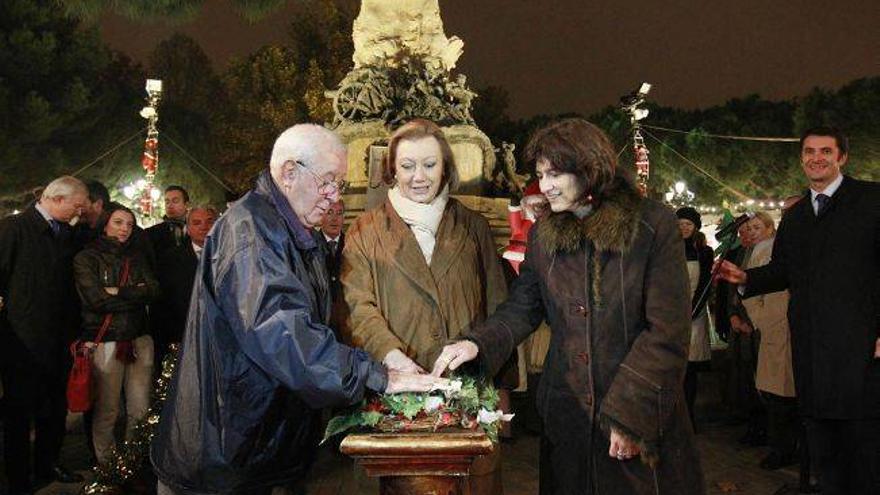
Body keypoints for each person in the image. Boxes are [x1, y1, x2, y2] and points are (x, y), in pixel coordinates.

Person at [151, 124, 444, 495]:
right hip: (225, 457)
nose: (333, 197)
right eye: (327, 182)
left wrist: (388, 360)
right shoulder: (251, 232)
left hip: (261, 449)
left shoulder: (295, 232)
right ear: (289, 172)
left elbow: (315, 324)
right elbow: (282, 333)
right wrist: (377, 376)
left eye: (339, 185)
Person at [433, 119, 705, 494]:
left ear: (589, 168)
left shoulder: (652, 224)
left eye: (555, 173)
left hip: (636, 415)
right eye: (540, 174)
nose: (544, 186)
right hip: (569, 418)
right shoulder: (544, 234)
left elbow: (667, 331)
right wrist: (476, 344)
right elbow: (523, 307)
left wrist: (630, 415)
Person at [342, 119, 508, 493]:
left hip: (464, 403)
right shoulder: (364, 232)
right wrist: (391, 355)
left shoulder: (474, 227)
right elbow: (356, 306)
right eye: (408, 166)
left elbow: (499, 307)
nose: (419, 177)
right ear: (392, 170)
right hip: (394, 402)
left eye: (430, 165)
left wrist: (482, 355)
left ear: (446, 168)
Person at [718, 126, 880, 494]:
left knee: (865, 446)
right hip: (811, 352)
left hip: (863, 350)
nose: (816, 158)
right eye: (809, 151)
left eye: (825, 151)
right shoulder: (797, 216)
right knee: (824, 446)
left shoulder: (872, 200)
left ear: (842, 157)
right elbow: (784, 271)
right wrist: (745, 276)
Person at [0, 176, 88, 493]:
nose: (79, 213)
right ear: (56, 199)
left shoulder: (66, 232)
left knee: (54, 408)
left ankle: (48, 463)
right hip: (21, 342)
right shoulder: (14, 229)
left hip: (58, 339)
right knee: (19, 413)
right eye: (76, 206)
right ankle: (18, 477)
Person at [73, 203, 160, 465]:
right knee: (107, 409)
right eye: (119, 222)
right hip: (107, 340)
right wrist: (136, 292)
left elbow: (154, 291)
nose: (125, 229)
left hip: (139, 338)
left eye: (130, 225)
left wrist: (116, 291)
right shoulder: (86, 257)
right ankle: (108, 466)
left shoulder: (137, 257)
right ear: (106, 224)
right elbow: (96, 300)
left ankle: (134, 462)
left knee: (140, 408)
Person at [737, 212, 798, 472]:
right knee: (777, 394)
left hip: (780, 327)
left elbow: (753, 291)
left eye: (757, 227)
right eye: (748, 227)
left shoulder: (769, 251)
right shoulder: (760, 251)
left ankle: (783, 449)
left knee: (780, 396)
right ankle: (782, 447)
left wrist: (763, 320)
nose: (752, 231)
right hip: (776, 328)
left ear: (771, 228)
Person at [151, 205, 217, 366]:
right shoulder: (170, 259)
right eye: (197, 222)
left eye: (209, 222)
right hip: (182, 336)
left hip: (220, 336)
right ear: (188, 227)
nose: (204, 227)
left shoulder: (229, 254)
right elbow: (162, 303)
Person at [676, 207, 713, 431]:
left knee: (690, 370)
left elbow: (706, 283)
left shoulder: (704, 252)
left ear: (696, 227)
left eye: (688, 224)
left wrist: (693, 309)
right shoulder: (667, 248)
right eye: (680, 224)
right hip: (672, 314)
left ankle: (689, 416)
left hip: (694, 315)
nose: (684, 228)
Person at [314, 199, 347, 341]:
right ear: (321, 216)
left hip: (347, 319)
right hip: (320, 320)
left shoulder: (353, 244)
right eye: (329, 213)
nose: (334, 219)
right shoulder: (311, 245)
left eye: (339, 213)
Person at [146, 185, 190, 257]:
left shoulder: (198, 229)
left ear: (186, 204)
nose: (170, 206)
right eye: (167, 202)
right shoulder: (151, 233)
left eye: (175, 201)